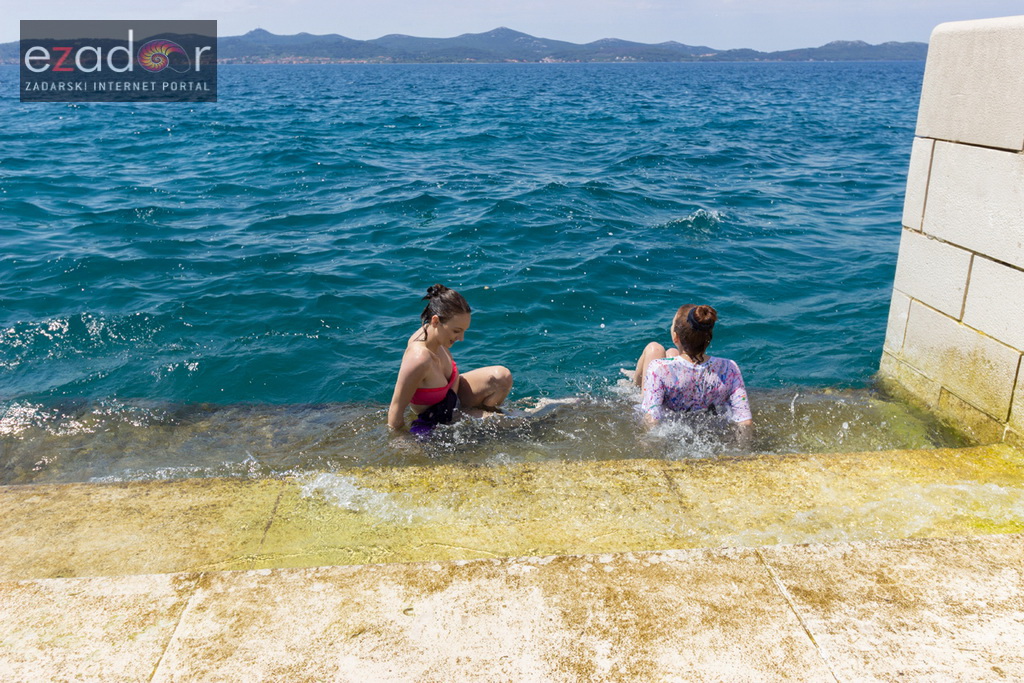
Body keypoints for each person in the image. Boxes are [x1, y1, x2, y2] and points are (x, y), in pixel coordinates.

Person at [388, 284, 513, 435]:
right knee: (506, 424)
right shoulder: (419, 359)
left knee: (502, 377)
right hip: (438, 417)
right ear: (435, 321)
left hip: (454, 398)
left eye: (463, 331)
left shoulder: (436, 336)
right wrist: (402, 441)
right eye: (456, 331)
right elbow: (395, 410)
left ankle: (486, 413)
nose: (461, 338)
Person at [632, 304, 753, 444]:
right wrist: (742, 450)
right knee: (671, 353)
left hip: (676, 432)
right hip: (708, 428)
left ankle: (634, 385)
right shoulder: (729, 367)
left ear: (675, 337)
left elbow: (652, 419)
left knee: (654, 349)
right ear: (709, 338)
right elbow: (745, 422)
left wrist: (648, 448)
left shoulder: (658, 368)